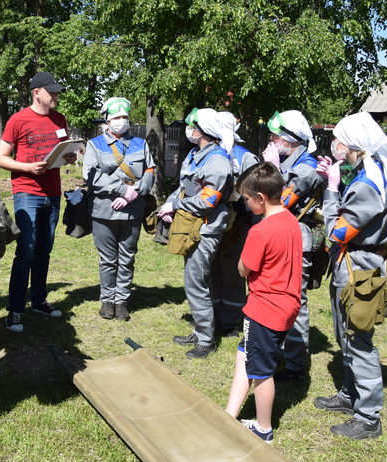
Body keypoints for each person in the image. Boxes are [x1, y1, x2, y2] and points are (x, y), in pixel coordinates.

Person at [312, 111, 387, 440]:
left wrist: (331, 190)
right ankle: (350, 395)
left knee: (358, 342)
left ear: (353, 145)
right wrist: (332, 179)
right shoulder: (365, 173)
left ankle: (368, 416)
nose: (335, 144)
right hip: (351, 268)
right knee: (345, 336)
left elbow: (337, 232)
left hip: (358, 273)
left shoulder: (365, 185)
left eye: (339, 140)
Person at [224, 162, 302, 444]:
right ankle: (229, 415)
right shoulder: (291, 220)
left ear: (260, 197)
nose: (245, 203)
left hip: (264, 309)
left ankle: (263, 428)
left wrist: (243, 259)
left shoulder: (260, 231)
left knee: (261, 371)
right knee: (244, 356)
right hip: (286, 305)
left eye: (246, 198)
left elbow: (243, 269)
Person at [0, 71, 77, 333]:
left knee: (44, 249)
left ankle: (39, 301)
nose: (55, 96)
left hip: (52, 193)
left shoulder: (59, 119)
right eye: (51, 91)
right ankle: (15, 310)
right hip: (27, 193)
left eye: (56, 92)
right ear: (36, 92)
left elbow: (62, 151)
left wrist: (70, 157)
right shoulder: (18, 120)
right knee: (26, 251)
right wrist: (28, 168)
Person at [157, 108, 234, 359]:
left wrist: (176, 205)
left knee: (195, 281)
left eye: (192, 126)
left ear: (202, 131)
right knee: (199, 280)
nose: (188, 130)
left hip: (206, 227)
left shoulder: (217, 161)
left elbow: (207, 201)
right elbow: (184, 186)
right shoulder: (196, 155)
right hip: (192, 224)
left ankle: (206, 341)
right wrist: (170, 202)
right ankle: (201, 330)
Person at [261, 110, 324, 381]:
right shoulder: (290, 162)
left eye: (276, 137)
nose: (272, 141)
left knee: (295, 300)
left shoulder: (306, 168)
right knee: (276, 296)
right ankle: (279, 351)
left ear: (289, 138)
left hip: (297, 239)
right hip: (281, 237)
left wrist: (273, 171)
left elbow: (281, 202)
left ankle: (296, 363)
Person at [84, 97, 156, 322]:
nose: (121, 121)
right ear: (107, 120)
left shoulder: (140, 144)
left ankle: (121, 300)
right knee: (107, 258)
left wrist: (135, 192)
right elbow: (91, 175)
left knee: (127, 256)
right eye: (116, 117)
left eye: (124, 117)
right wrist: (123, 190)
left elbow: (150, 171)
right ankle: (107, 299)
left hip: (132, 209)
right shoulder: (94, 144)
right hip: (104, 210)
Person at [210, 111, 260, 337]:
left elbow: (255, 191)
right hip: (212, 220)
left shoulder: (245, 157)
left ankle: (230, 320)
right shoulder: (211, 153)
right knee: (212, 270)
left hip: (239, 223)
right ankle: (212, 314)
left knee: (232, 272)